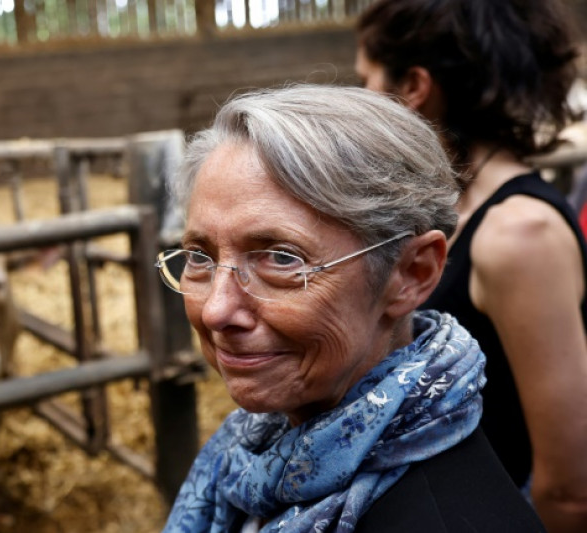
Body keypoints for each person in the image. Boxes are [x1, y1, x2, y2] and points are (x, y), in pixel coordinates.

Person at [158, 85, 544, 532]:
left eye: (282, 258)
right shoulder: (253, 452)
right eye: (200, 256)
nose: (216, 311)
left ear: (412, 273)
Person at [356, 2, 587, 530]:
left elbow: (571, 487)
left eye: (367, 79)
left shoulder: (519, 233)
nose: (364, 96)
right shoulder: (453, 208)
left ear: (414, 86)